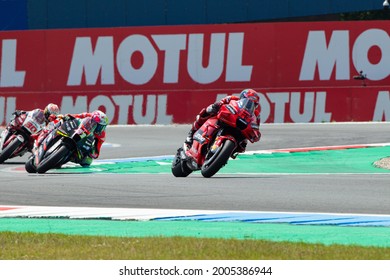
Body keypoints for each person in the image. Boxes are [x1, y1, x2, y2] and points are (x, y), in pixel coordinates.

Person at [184, 89, 261, 152]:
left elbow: (256, 127)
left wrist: (255, 133)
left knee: (242, 145)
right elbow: (220, 103)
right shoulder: (232, 99)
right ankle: (191, 135)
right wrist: (216, 106)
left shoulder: (256, 115)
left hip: (240, 128)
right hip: (227, 118)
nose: (250, 105)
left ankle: (225, 152)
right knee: (206, 112)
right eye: (247, 101)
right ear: (242, 98)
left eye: (254, 104)